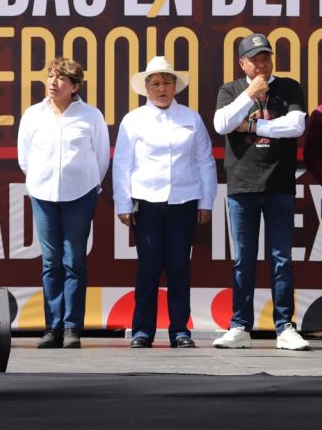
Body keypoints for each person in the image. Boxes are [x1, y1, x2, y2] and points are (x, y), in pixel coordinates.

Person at [212, 33, 311, 351]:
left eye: (266, 57)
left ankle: (285, 327)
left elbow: (296, 126)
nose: (262, 63)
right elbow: (222, 125)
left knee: (281, 259)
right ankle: (240, 326)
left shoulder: (289, 87)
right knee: (243, 259)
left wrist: (254, 127)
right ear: (242, 63)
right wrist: (250, 95)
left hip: (280, 184)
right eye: (254, 59)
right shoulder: (230, 90)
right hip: (242, 185)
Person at [113, 57, 216, 349]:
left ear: (175, 87)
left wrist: (206, 201)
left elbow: (205, 162)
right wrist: (123, 203)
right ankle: (142, 330)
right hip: (146, 202)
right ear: (146, 87)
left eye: (167, 82)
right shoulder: (133, 120)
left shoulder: (191, 118)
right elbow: (122, 164)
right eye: (156, 83)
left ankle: (180, 330)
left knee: (178, 267)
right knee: (148, 267)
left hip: (183, 202)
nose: (162, 89)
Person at [17, 57, 108, 349]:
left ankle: (72, 327)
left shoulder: (91, 115)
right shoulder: (33, 114)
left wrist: (88, 184)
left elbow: (101, 157)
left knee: (74, 261)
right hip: (43, 196)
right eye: (50, 76)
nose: (53, 83)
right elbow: (24, 157)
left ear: (75, 86)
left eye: (60, 79)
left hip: (80, 195)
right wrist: (38, 182)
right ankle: (52, 327)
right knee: (50, 262)